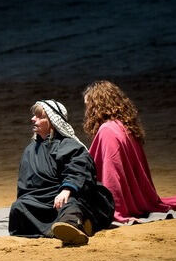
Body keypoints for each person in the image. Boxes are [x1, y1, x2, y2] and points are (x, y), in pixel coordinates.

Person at [83, 81, 176, 224]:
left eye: (88, 106)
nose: (87, 111)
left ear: (96, 106)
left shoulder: (107, 130)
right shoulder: (125, 127)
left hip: (119, 203)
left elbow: (111, 174)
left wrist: (113, 208)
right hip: (136, 199)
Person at [9, 100, 114, 245]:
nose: (33, 119)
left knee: (69, 203)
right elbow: (25, 183)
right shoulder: (30, 150)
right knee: (19, 207)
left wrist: (67, 189)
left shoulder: (70, 146)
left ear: (52, 121)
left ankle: (72, 225)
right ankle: (73, 225)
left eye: (40, 116)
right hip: (41, 200)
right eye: (34, 115)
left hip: (66, 194)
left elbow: (79, 169)